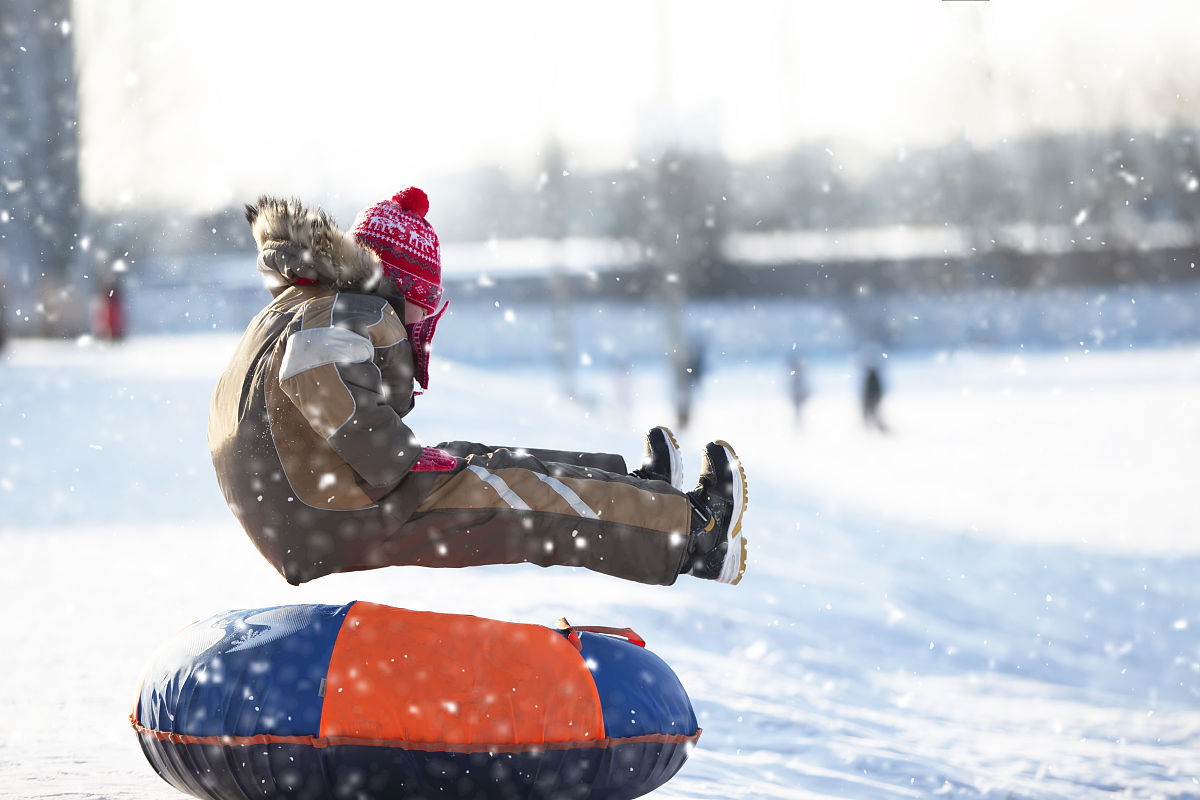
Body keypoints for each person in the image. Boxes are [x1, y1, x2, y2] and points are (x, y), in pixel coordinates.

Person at [208, 189, 748, 588]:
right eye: (423, 295)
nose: (424, 314)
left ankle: (638, 492)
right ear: (400, 283)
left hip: (300, 502)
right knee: (513, 496)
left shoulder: (297, 305)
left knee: (479, 464)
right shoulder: (358, 307)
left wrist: (394, 461)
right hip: (323, 508)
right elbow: (310, 375)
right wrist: (393, 460)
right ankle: (695, 533)